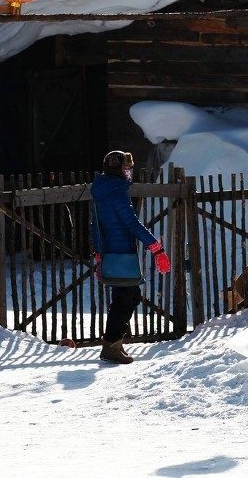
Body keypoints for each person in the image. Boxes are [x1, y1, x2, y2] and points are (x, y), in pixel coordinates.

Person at [90, 150, 170, 364]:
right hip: (121, 254)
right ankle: (111, 346)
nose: (129, 173)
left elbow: (94, 227)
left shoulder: (101, 189)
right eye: (126, 169)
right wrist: (156, 247)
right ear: (118, 170)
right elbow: (132, 224)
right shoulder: (116, 192)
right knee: (126, 299)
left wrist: (99, 255)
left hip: (112, 253)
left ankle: (114, 343)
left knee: (127, 297)